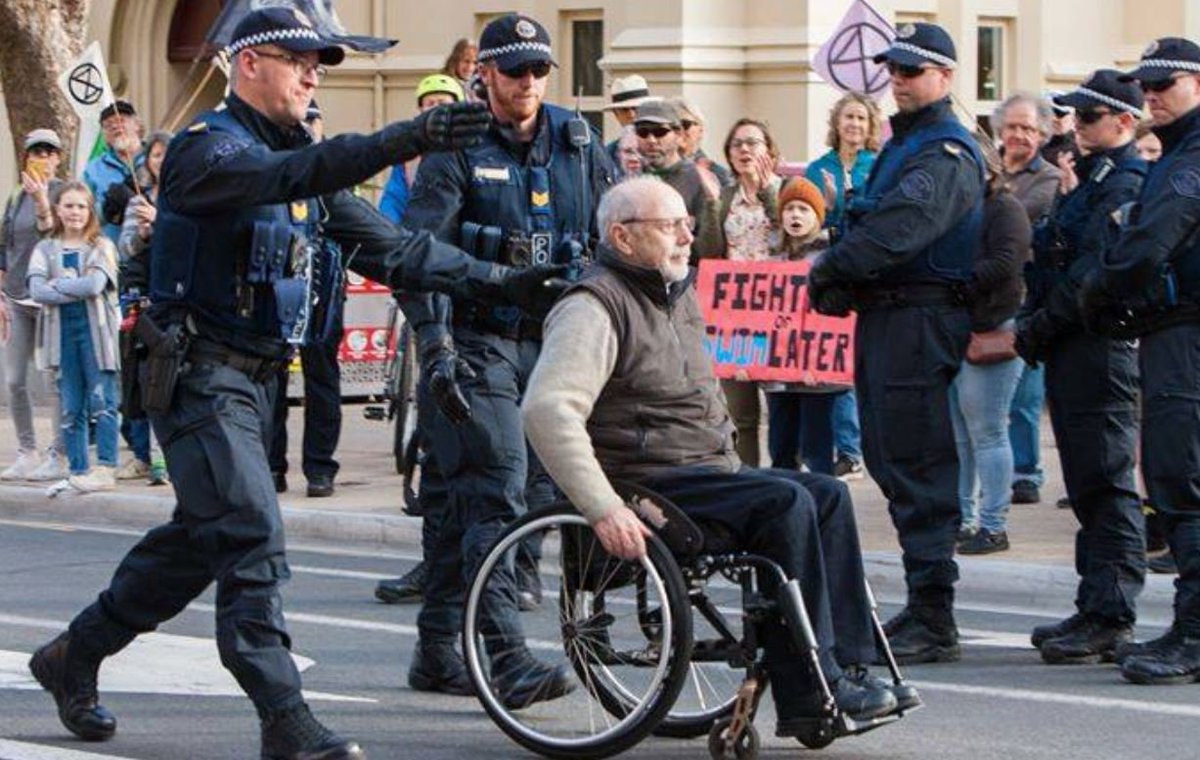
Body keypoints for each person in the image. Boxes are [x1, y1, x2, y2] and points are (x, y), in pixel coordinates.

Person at [25, 8, 566, 759]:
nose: (315, 75)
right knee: (250, 531)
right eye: (300, 60)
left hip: (256, 384)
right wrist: (403, 138)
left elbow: (399, 252)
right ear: (249, 64)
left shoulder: (301, 164)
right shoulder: (206, 151)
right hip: (196, 379)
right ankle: (285, 716)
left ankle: (71, 655)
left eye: (322, 65)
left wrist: (510, 282)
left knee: (199, 540)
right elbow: (288, 173)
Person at [521, 176, 912, 735]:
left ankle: (850, 665)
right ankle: (811, 690)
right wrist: (602, 507)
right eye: (670, 225)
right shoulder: (594, 305)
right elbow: (546, 410)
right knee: (784, 504)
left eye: (687, 222)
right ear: (622, 237)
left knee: (825, 493)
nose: (687, 235)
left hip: (704, 469)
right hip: (648, 482)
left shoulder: (676, 292)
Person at [398, 13, 615, 702]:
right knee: (495, 484)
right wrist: (435, 346)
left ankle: (437, 651)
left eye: (538, 70)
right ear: (482, 73)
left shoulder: (579, 142)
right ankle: (503, 655)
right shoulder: (455, 146)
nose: (527, 82)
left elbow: (618, 233)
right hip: (473, 337)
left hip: (553, 338)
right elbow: (417, 256)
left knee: (477, 503)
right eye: (514, 69)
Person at [807, 22, 985, 664]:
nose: (899, 80)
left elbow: (899, 232)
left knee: (917, 459)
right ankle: (926, 604)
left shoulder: (944, 151)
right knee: (889, 456)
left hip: (919, 317)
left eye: (912, 70)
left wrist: (831, 269)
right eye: (894, 69)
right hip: (889, 317)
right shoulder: (901, 145)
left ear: (945, 76)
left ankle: (935, 613)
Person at [1079, 36, 1200, 685]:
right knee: (1177, 476)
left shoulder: (1189, 161)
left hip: (1186, 331)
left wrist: (1102, 290)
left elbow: (1150, 239)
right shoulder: (1177, 154)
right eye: (1145, 86)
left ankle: (1196, 630)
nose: (1151, 95)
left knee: (1182, 477)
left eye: (1165, 84)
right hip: (1170, 328)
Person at [1017, 70, 1148, 664]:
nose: (1077, 128)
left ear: (1124, 121)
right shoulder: (1090, 180)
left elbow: (1092, 274)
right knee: (1086, 483)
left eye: (1090, 118)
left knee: (1107, 482)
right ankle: (1092, 601)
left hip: (1100, 346)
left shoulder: (1126, 182)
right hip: (1072, 347)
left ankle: (1112, 611)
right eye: (1076, 118)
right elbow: (1051, 250)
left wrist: (1041, 326)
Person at [952, 138, 1030, 555]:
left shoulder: (1004, 208)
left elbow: (1006, 261)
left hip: (992, 328)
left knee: (988, 432)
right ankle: (964, 518)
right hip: (959, 329)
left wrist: (954, 281)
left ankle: (993, 523)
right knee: (961, 436)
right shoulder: (957, 208)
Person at [694, 117, 782, 466]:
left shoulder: (787, 187)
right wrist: (713, 204)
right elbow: (709, 253)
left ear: (769, 151)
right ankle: (750, 483)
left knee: (783, 414)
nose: (744, 149)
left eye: (753, 142)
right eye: (737, 144)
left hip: (779, 315)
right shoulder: (725, 195)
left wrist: (767, 194)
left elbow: (793, 240)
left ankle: (789, 484)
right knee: (741, 416)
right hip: (736, 318)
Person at [806, 91, 883, 480]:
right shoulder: (819, 167)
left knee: (852, 365)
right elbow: (806, 214)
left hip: (865, 274)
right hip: (829, 271)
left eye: (861, 118)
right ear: (836, 123)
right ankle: (833, 450)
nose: (853, 124)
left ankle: (853, 448)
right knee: (827, 362)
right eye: (848, 117)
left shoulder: (879, 164)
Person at [269, 102, 345, 498]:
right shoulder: (275, 167)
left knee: (322, 375)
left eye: (313, 120)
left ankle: (320, 468)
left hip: (323, 282)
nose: (307, 128)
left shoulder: (332, 171)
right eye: (301, 121)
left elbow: (352, 224)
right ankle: (272, 466)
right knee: (272, 375)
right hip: (281, 282)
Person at [27, 181, 121, 495]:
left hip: (97, 336)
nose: (75, 212)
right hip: (61, 335)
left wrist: (58, 286)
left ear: (89, 210)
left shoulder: (101, 246)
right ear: (57, 209)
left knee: (102, 401)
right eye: (69, 205)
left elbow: (95, 285)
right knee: (71, 405)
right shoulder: (45, 248)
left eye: (81, 206)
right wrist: (68, 287)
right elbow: (36, 289)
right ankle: (78, 469)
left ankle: (106, 467)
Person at [993, 92, 1062, 507]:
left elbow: (1015, 218)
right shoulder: (982, 169)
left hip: (1026, 295)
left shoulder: (1048, 178)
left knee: (1024, 395)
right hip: (983, 296)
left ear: (1042, 133)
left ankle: (1026, 472)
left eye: (1028, 128)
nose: (1019, 135)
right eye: (1012, 127)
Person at [762, 178, 850, 476]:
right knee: (780, 447)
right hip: (778, 370)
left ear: (817, 216)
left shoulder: (831, 253)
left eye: (803, 209)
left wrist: (839, 205)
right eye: (789, 209)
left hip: (817, 373)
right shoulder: (770, 254)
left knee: (816, 450)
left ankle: (820, 510)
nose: (795, 215)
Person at [1, 128, 66, 482]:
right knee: (14, 380)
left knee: (52, 377)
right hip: (15, 297)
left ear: (58, 157)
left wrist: (42, 199)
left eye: (48, 151)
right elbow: (4, 245)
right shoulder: (15, 197)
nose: (41, 157)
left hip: (47, 299)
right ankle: (27, 451)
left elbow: (53, 234)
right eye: (35, 151)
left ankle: (59, 452)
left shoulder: (63, 193)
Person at [116, 130, 171, 486]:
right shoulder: (138, 201)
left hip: (173, 296)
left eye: (167, 154)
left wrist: (164, 221)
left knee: (165, 377)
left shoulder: (190, 198)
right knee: (136, 376)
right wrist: (145, 232)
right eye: (155, 155)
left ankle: (165, 457)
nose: (161, 161)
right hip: (140, 294)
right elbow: (125, 249)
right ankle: (140, 453)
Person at [633, 99, 719, 256]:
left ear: (678, 134)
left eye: (660, 132)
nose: (651, 140)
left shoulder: (699, 179)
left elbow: (709, 250)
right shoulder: (630, 182)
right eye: (643, 132)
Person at [379, 74, 466, 224]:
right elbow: (393, 203)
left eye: (442, 102)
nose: (437, 108)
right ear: (420, 109)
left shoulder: (474, 149)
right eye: (430, 103)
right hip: (420, 239)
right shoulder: (409, 156)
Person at [84, 100, 143, 245]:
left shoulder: (156, 159)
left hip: (153, 254)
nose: (115, 127)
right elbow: (82, 217)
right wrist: (105, 210)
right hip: (111, 257)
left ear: (137, 125)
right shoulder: (92, 170)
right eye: (108, 125)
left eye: (120, 120)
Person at [669, 95, 734, 187]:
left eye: (685, 124)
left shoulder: (719, 175)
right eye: (672, 125)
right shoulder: (652, 170)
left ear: (700, 130)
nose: (679, 130)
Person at [601, 74, 653, 169]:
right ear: (616, 115)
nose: (631, 115)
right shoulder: (607, 154)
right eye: (624, 110)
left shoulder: (662, 145)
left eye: (635, 108)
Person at [1041, 98, 1080, 168]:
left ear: (1072, 118)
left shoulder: (1081, 146)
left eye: (1061, 114)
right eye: (1051, 113)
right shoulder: (1035, 143)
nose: (1055, 119)